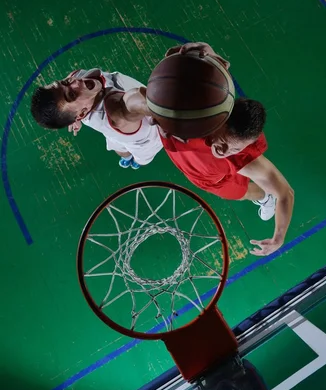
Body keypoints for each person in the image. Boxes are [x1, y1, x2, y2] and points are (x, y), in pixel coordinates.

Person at [149, 42, 294, 257]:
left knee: (242, 193)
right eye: (224, 141)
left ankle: (263, 196)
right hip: (186, 161)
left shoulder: (240, 156)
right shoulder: (194, 115)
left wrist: (279, 237)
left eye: (234, 148)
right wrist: (210, 57)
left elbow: (285, 193)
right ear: (220, 119)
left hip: (214, 179)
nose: (224, 150)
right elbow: (189, 77)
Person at [30, 68, 162, 169]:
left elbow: (70, 89)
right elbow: (132, 106)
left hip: (113, 131)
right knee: (133, 156)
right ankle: (133, 161)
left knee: (117, 145)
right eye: (71, 94)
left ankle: (126, 158)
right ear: (82, 113)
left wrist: (74, 119)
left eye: (64, 82)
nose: (75, 82)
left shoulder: (78, 77)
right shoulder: (117, 114)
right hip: (148, 139)